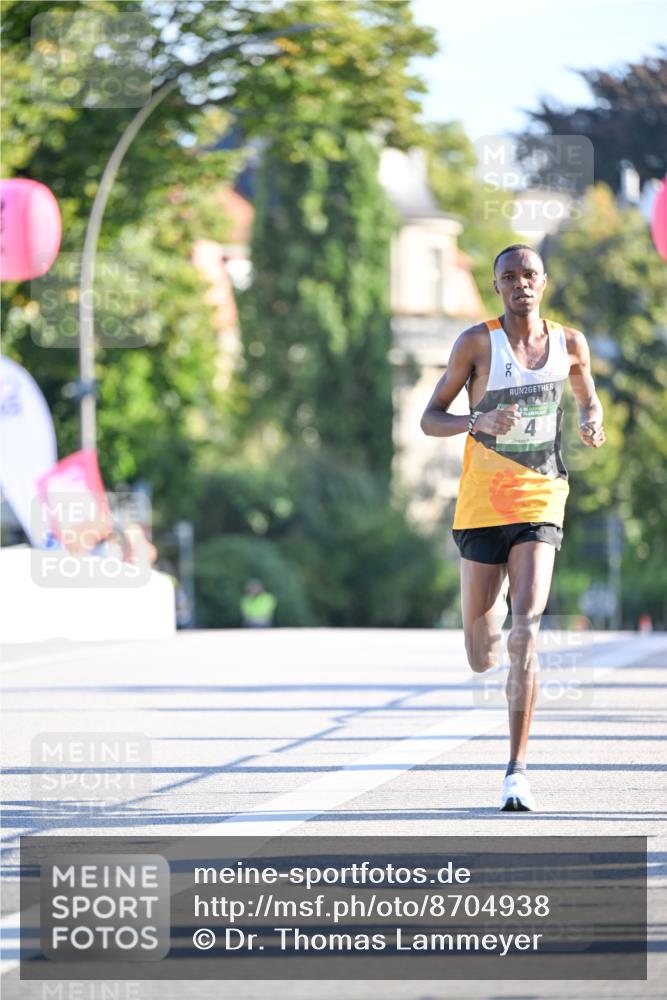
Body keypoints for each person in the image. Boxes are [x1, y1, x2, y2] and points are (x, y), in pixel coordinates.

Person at [420, 244, 605, 811]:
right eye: (509, 276)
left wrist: (592, 420)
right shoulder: (477, 343)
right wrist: (477, 419)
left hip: (541, 494)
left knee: (527, 626)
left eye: (529, 274)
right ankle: (491, 623)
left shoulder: (570, 343)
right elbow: (430, 418)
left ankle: (516, 771)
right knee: (481, 651)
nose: (521, 283)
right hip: (481, 506)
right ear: (497, 286)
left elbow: (587, 398)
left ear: (543, 281)